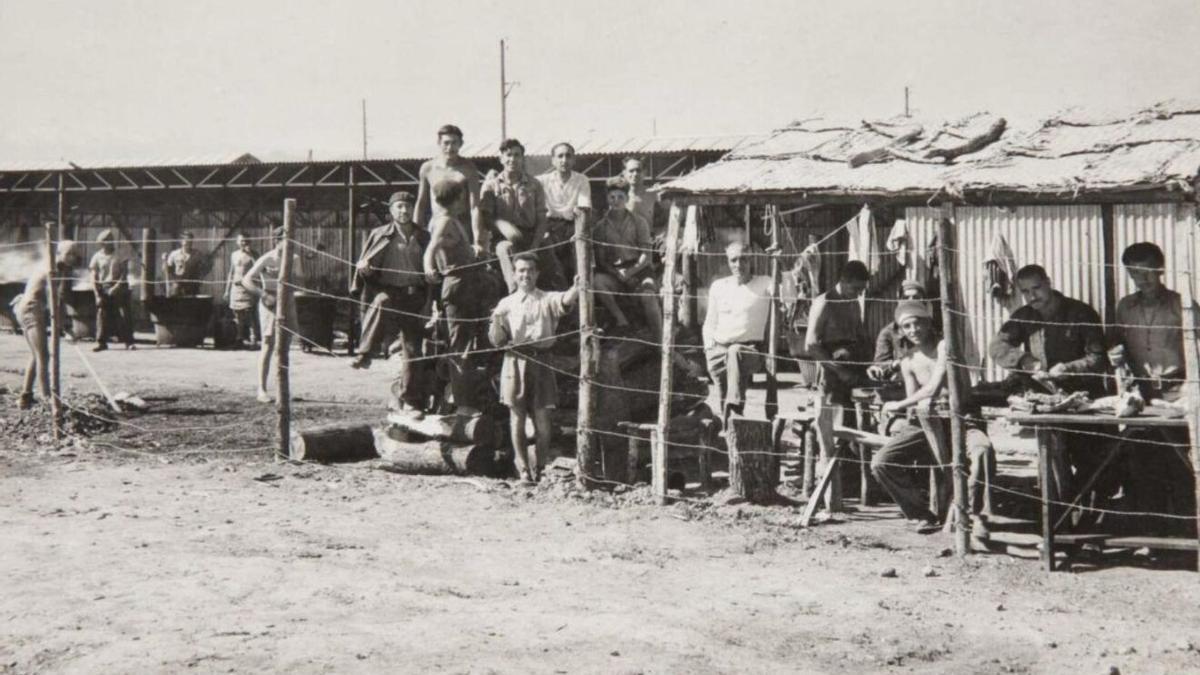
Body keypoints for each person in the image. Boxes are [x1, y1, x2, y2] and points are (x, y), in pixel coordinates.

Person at [989, 264, 1109, 510]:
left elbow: (1098, 359)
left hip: (1084, 401)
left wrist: (1068, 369)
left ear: (1049, 282)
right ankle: (1058, 524)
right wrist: (1025, 361)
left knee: (1094, 464)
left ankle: (1091, 524)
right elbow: (997, 347)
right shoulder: (1024, 315)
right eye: (1025, 291)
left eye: (1037, 288)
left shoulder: (1080, 313)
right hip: (1047, 403)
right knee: (1053, 464)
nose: (1032, 296)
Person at [872, 300, 996, 537]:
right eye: (906, 326)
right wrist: (900, 418)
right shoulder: (908, 361)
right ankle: (920, 514)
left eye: (917, 323)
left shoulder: (945, 347)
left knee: (981, 451)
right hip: (926, 423)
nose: (913, 330)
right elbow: (914, 403)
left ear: (929, 323)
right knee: (882, 462)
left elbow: (933, 386)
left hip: (962, 418)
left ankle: (973, 513)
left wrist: (897, 404)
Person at [1108, 242, 1196, 532]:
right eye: (1133, 273)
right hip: (1142, 395)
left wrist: (1190, 390)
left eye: (1146, 272)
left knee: (1179, 462)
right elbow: (1116, 342)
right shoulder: (1125, 307)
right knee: (1142, 463)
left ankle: (1187, 534)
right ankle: (1150, 533)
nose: (1141, 279)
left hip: (1176, 391)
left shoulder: (1182, 305)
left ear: (1160, 270)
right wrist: (1115, 352)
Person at [489, 253, 580, 484]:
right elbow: (496, 340)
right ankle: (523, 470)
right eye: (521, 270)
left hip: (542, 361)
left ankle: (540, 467)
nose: (525, 275)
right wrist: (496, 323)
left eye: (530, 270)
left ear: (537, 273)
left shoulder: (546, 299)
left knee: (542, 417)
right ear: (515, 274)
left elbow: (565, 301)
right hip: (514, 360)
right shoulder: (506, 304)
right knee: (516, 416)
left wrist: (577, 287)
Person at [804, 260, 873, 507]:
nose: (859, 294)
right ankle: (834, 483)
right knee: (836, 425)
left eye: (862, 290)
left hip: (852, 364)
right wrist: (837, 371)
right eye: (855, 288)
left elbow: (859, 335)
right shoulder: (824, 303)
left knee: (860, 421)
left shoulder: (853, 301)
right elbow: (811, 345)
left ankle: (857, 480)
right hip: (831, 370)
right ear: (843, 281)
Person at [424, 179, 492, 413]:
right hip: (458, 284)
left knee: (466, 342)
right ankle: (463, 404)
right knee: (459, 345)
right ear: (458, 198)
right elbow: (431, 248)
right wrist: (429, 268)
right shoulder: (443, 221)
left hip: (466, 282)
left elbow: (449, 247)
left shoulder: (447, 220)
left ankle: (464, 397)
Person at [350, 191, 429, 371]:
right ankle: (365, 354)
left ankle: (410, 395)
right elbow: (368, 271)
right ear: (391, 211)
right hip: (391, 293)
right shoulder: (380, 234)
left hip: (416, 298)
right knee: (382, 301)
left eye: (408, 206)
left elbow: (435, 266)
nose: (404, 211)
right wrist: (365, 270)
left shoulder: (424, 236)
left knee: (412, 350)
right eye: (399, 207)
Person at [482, 138, 565, 291]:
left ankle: (560, 306)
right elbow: (486, 218)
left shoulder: (534, 184)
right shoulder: (491, 186)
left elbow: (541, 218)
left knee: (552, 262)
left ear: (522, 158)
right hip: (503, 239)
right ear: (501, 158)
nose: (512, 159)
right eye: (508, 155)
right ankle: (515, 295)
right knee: (505, 250)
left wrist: (534, 245)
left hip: (531, 236)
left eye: (517, 155)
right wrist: (501, 225)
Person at [703, 241, 773, 421]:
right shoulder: (719, 286)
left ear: (751, 260)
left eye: (743, 259)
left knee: (735, 353)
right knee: (722, 401)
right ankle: (730, 431)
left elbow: (789, 296)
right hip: (718, 352)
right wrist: (708, 349)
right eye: (733, 260)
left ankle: (734, 406)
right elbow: (710, 323)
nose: (739, 265)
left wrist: (779, 262)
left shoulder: (765, 282)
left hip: (748, 351)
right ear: (728, 261)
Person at [591, 177, 662, 338]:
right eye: (612, 197)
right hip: (615, 273)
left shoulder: (639, 222)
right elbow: (601, 260)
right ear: (607, 199)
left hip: (640, 270)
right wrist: (618, 274)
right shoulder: (600, 227)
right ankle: (622, 320)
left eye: (620, 197)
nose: (616, 201)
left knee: (648, 295)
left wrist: (630, 272)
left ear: (627, 199)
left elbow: (647, 256)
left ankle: (660, 339)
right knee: (597, 281)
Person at [15, 241, 80, 409]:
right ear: (60, 253)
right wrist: (65, 328)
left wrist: (65, 325)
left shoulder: (59, 268)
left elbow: (58, 300)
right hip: (30, 309)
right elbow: (54, 303)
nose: (73, 257)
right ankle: (47, 400)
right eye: (70, 253)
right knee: (44, 356)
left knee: (37, 355)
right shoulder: (52, 270)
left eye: (75, 253)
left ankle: (25, 397)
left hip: (33, 309)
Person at [242, 227, 301, 403]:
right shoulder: (267, 258)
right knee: (267, 345)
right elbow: (246, 280)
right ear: (276, 240)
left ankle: (282, 389)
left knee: (285, 345)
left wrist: (290, 283)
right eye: (284, 239)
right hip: (269, 301)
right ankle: (262, 389)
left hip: (287, 300)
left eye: (291, 239)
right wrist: (264, 295)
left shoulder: (295, 258)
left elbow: (300, 280)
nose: (288, 242)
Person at [415, 124, 483, 253]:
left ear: (461, 144)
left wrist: (477, 241)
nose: (450, 148)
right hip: (436, 226)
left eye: (454, 143)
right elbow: (421, 203)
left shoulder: (469, 168)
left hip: (461, 228)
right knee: (432, 266)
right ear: (439, 143)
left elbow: (475, 207)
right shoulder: (428, 168)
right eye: (446, 143)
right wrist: (414, 235)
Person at [537, 142, 591, 278]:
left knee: (582, 250)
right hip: (549, 227)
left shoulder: (582, 180)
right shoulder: (542, 180)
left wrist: (579, 233)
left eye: (568, 156)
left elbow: (583, 209)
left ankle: (582, 289)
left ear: (574, 160)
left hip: (572, 226)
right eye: (560, 156)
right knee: (546, 251)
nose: (564, 160)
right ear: (553, 160)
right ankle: (559, 290)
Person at [868, 279, 930, 382]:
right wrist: (893, 366)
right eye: (906, 298)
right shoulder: (888, 333)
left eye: (916, 297)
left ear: (923, 301)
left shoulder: (933, 328)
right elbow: (880, 365)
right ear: (899, 301)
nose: (910, 301)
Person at [89, 229, 134, 352]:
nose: (109, 243)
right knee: (101, 313)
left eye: (110, 241)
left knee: (124, 313)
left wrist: (117, 287)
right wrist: (97, 294)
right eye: (105, 242)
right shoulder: (97, 257)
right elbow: (94, 276)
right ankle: (101, 342)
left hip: (120, 286)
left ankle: (129, 341)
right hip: (104, 286)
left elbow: (124, 273)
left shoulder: (120, 254)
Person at [224, 233, 260, 348]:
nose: (243, 243)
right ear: (237, 242)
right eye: (241, 241)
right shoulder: (234, 255)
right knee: (238, 315)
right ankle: (239, 338)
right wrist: (227, 290)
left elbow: (258, 268)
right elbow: (231, 272)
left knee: (250, 314)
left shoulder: (254, 254)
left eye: (245, 241)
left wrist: (251, 255)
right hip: (236, 287)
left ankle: (253, 339)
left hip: (248, 287)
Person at [621, 157, 661, 241]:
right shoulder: (619, 196)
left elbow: (668, 219)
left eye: (638, 170)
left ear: (644, 173)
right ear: (624, 173)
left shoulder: (653, 194)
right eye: (631, 171)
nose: (635, 174)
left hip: (648, 243)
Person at [164, 231, 204, 296]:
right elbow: (167, 270)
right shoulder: (174, 254)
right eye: (186, 240)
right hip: (177, 286)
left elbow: (203, 269)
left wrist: (200, 279)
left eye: (190, 240)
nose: (188, 242)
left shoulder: (197, 254)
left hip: (192, 286)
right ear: (181, 241)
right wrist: (164, 262)